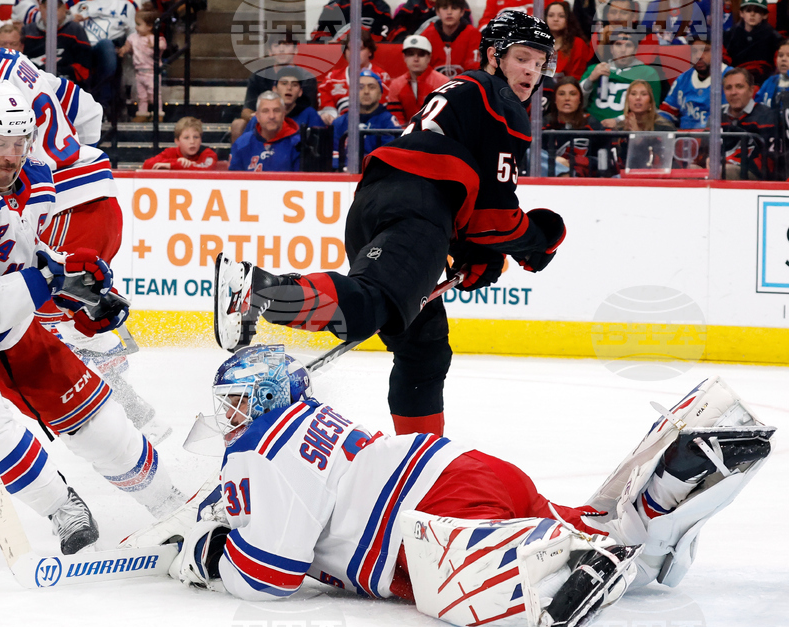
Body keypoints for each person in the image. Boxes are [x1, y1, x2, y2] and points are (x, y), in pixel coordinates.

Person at [154, 347, 773, 627]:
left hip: (427, 520)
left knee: (501, 581)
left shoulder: (257, 448)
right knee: (602, 532)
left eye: (236, 402)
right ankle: (665, 487)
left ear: (262, 401)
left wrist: (207, 559)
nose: (229, 416)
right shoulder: (307, 414)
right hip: (461, 467)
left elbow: (270, 575)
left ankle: (564, 569)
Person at [215, 12, 565, 437]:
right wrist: (538, 239)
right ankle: (260, 291)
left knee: (424, 348)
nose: (532, 70)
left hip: (380, 203)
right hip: (418, 209)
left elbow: (475, 207)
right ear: (494, 54)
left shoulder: (463, 90)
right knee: (367, 307)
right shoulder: (500, 100)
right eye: (523, 57)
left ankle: (418, 453)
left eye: (540, 61)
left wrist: (477, 252)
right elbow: (496, 219)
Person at [0, 81, 185, 556]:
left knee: (98, 419)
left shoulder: (36, 176)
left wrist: (79, 291)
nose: (11, 155)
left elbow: (24, 256)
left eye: (19, 143)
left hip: (4, 323)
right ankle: (61, 506)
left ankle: (170, 504)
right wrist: (49, 280)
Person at [0, 2, 167, 443]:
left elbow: (10, 173)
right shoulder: (18, 64)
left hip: (66, 208)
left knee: (45, 304)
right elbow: (88, 112)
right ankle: (124, 389)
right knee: (68, 303)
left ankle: (130, 411)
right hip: (98, 197)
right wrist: (71, 156)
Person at [231, 40, 319, 144]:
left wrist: (280, 116)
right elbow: (246, 110)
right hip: (266, 120)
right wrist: (260, 116)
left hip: (298, 121)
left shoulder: (307, 78)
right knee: (239, 124)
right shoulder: (259, 77)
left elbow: (310, 108)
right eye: (277, 45)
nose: (281, 49)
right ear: (274, 89)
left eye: (286, 45)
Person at [580, 28, 661, 124]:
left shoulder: (648, 73)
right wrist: (591, 79)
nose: (623, 50)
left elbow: (652, 110)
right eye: (618, 45)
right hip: (591, 125)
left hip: (628, 127)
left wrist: (619, 121)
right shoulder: (595, 69)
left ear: (635, 50)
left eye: (628, 45)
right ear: (611, 49)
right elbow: (577, 103)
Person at [317, 30, 392, 124]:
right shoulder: (332, 78)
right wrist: (329, 115)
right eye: (350, 49)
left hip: (372, 126)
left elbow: (384, 108)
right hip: (339, 127)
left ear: (370, 51)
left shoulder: (382, 77)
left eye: (360, 49)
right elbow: (326, 107)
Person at [331, 70, 401, 170]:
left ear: (380, 94)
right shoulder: (339, 123)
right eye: (360, 87)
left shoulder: (389, 122)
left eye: (372, 87)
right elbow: (332, 155)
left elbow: (390, 159)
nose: (366, 91)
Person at [69, 0, 134, 106]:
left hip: (108, 47)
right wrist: (71, 20)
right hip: (81, 47)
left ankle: (102, 102)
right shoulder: (78, 5)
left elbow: (133, 33)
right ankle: (77, 103)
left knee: (106, 46)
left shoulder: (124, 5)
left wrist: (126, 47)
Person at [658, 35, 728, 129]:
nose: (699, 56)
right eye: (694, 51)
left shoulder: (730, 78)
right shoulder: (682, 79)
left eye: (705, 50)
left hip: (717, 139)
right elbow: (666, 113)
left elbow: (731, 117)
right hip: (683, 139)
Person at [719, 68, 776, 180]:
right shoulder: (716, 117)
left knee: (725, 171)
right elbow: (703, 151)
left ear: (751, 90)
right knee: (691, 169)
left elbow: (770, 162)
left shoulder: (767, 116)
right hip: (719, 168)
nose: (733, 92)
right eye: (728, 88)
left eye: (739, 86)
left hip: (753, 175)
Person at [542, 77, 605, 177]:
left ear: (580, 99)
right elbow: (534, 156)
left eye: (572, 94)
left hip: (583, 180)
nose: (567, 98)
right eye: (562, 94)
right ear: (555, 99)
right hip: (549, 179)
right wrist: (557, 161)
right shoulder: (544, 124)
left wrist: (573, 161)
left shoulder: (592, 125)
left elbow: (604, 161)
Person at [22, 0, 93, 86]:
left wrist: (59, 75)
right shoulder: (27, 31)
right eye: (47, 7)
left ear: (64, 9)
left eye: (57, 7)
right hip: (33, 85)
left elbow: (84, 68)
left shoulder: (75, 31)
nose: (52, 12)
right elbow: (20, 62)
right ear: (40, 8)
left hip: (66, 86)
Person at [228, 91, 301, 172]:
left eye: (276, 110)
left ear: (283, 114)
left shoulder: (298, 144)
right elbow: (234, 181)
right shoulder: (241, 143)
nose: (272, 116)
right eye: (265, 111)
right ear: (257, 116)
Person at [387, 34, 450, 125]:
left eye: (421, 54)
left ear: (429, 57)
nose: (416, 59)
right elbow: (396, 120)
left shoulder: (443, 83)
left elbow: (445, 117)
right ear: (404, 57)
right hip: (405, 136)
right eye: (411, 54)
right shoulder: (396, 85)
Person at [117, 10, 165, 121]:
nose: (136, 27)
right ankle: (143, 114)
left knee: (154, 94)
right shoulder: (133, 37)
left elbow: (163, 45)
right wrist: (123, 50)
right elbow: (127, 45)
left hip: (152, 72)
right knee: (141, 96)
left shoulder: (155, 38)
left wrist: (154, 45)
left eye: (139, 24)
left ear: (149, 26)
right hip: (139, 72)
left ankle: (158, 114)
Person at [414, 0, 481, 78]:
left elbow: (473, 69)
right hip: (433, 85)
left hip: (464, 85)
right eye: (445, 8)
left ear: (462, 12)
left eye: (454, 8)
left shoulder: (473, 34)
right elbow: (422, 70)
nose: (449, 12)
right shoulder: (427, 35)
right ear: (437, 12)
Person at [724, 0, 780, 83]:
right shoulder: (730, 34)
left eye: (757, 11)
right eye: (748, 10)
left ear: (764, 15)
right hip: (736, 77)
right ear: (741, 13)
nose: (752, 14)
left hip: (765, 79)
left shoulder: (773, 36)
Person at [142, 116, 218, 170]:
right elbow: (147, 164)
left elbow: (206, 168)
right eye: (186, 138)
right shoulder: (170, 152)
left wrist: (179, 165)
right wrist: (177, 162)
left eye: (196, 137)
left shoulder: (208, 153)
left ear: (201, 139)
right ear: (177, 141)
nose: (192, 142)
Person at [545, 1, 594, 83]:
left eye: (561, 16)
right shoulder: (537, 44)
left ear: (568, 19)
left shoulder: (578, 44)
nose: (555, 19)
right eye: (551, 15)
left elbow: (578, 77)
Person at [309, 0, 393, 43]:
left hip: (370, 57)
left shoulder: (380, 7)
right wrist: (330, 42)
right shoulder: (333, 6)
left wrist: (366, 45)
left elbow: (384, 37)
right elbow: (318, 34)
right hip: (338, 56)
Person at [755, 38, 789, 106]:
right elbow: (757, 108)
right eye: (780, 55)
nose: (783, 59)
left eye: (788, 56)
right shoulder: (769, 82)